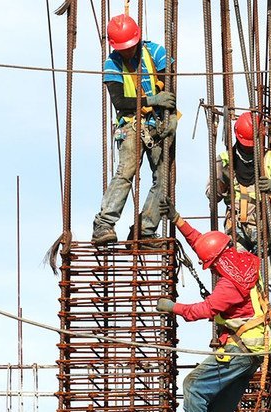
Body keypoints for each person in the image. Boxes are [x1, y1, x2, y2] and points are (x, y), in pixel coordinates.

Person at [157, 215, 271, 412]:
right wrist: (177, 220)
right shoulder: (242, 261)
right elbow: (203, 242)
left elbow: (205, 309)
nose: (209, 269)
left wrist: (173, 307)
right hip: (253, 350)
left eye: (210, 265)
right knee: (220, 406)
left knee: (194, 386)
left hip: (240, 348)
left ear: (216, 261)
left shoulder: (229, 285)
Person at [92, 13, 178, 249]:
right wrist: (152, 100)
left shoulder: (157, 53)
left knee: (164, 178)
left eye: (130, 47)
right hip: (131, 125)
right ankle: (103, 224)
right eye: (123, 48)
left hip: (157, 125)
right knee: (126, 173)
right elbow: (119, 102)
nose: (128, 52)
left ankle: (145, 230)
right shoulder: (112, 63)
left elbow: (169, 88)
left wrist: (172, 115)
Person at [206, 111, 271, 253]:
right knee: (240, 273)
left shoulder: (270, 158)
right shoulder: (225, 160)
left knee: (267, 275)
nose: (249, 148)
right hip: (237, 230)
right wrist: (222, 183)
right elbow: (212, 196)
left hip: (264, 228)